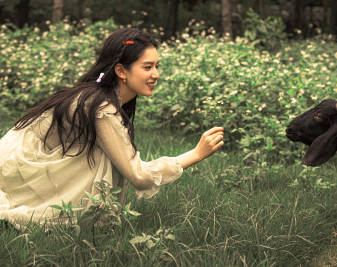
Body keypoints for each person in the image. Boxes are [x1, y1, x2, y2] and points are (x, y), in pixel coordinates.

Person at [0, 28, 224, 233]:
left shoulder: (102, 96)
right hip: (18, 167)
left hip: (18, 158)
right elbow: (139, 176)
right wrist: (195, 155)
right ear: (121, 71)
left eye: (157, 66)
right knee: (104, 158)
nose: (156, 74)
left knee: (106, 155)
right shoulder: (101, 107)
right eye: (147, 67)